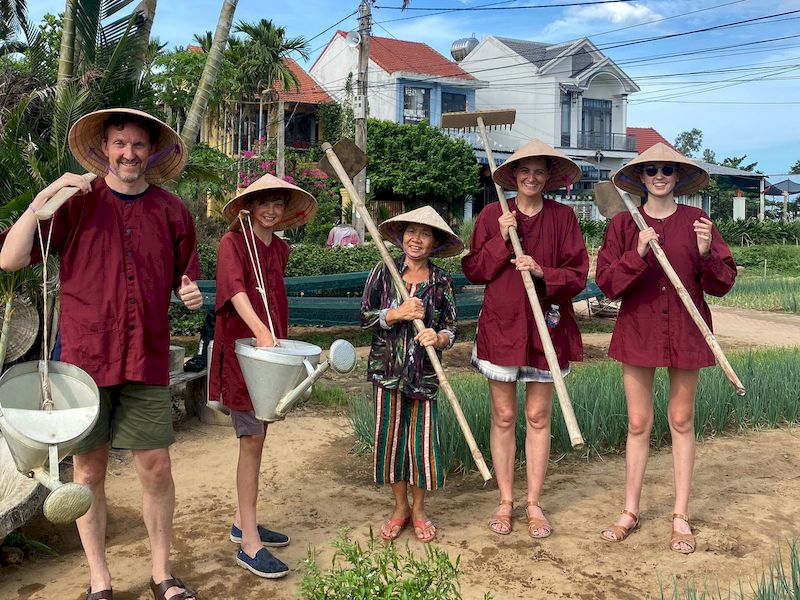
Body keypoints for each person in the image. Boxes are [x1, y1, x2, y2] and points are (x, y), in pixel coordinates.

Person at [0, 108, 202, 600]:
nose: (128, 153)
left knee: (156, 466)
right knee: (88, 472)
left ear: (150, 152)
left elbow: (184, 279)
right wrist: (44, 199)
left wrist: (189, 293)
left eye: (138, 145)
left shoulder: (173, 211)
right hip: (84, 362)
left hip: (148, 358)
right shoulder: (76, 204)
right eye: (120, 143)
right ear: (104, 149)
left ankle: (161, 575)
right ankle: (100, 580)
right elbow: (9, 259)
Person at [596, 142, 736, 553]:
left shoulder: (699, 221)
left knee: (681, 419)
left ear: (678, 178)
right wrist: (637, 254)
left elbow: (722, 284)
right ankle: (631, 510)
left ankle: (680, 515)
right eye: (651, 170)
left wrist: (707, 254)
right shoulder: (624, 225)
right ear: (640, 177)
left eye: (667, 171)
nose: (659, 176)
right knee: (638, 423)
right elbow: (607, 284)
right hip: (638, 328)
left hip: (687, 328)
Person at [461, 139, 588, 540]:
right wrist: (501, 239)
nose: (531, 178)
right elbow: (474, 270)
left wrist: (541, 270)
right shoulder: (492, 215)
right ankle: (505, 500)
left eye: (539, 171)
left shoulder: (563, 218)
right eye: (524, 171)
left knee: (537, 416)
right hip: (502, 323)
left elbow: (577, 274)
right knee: (503, 416)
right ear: (513, 177)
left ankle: (534, 502)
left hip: (545, 327)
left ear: (548, 177)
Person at [208, 173, 317, 577]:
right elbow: (236, 292)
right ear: (249, 206)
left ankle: (244, 521)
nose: (271, 210)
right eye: (264, 202)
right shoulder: (233, 242)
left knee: (261, 433)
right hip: (245, 353)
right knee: (251, 439)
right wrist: (260, 332)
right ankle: (249, 544)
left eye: (278, 204)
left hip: (271, 353)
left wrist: (273, 340)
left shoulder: (280, 249)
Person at [361, 206, 463, 543]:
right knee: (391, 444)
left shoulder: (440, 281)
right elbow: (364, 318)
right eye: (410, 232)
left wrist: (439, 338)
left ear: (434, 242)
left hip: (425, 377)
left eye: (424, 233)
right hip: (387, 372)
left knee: (420, 446)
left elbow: (452, 329)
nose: (415, 239)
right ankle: (400, 508)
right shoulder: (384, 272)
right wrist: (396, 313)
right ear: (401, 237)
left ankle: (419, 510)